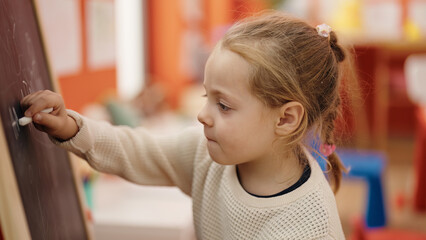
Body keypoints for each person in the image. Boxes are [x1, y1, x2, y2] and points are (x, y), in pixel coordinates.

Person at [21, 10, 350, 239]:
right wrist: (69, 127)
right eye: (207, 97)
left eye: (223, 105)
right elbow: (136, 151)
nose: (203, 115)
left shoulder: (308, 227)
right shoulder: (207, 155)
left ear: (286, 119)